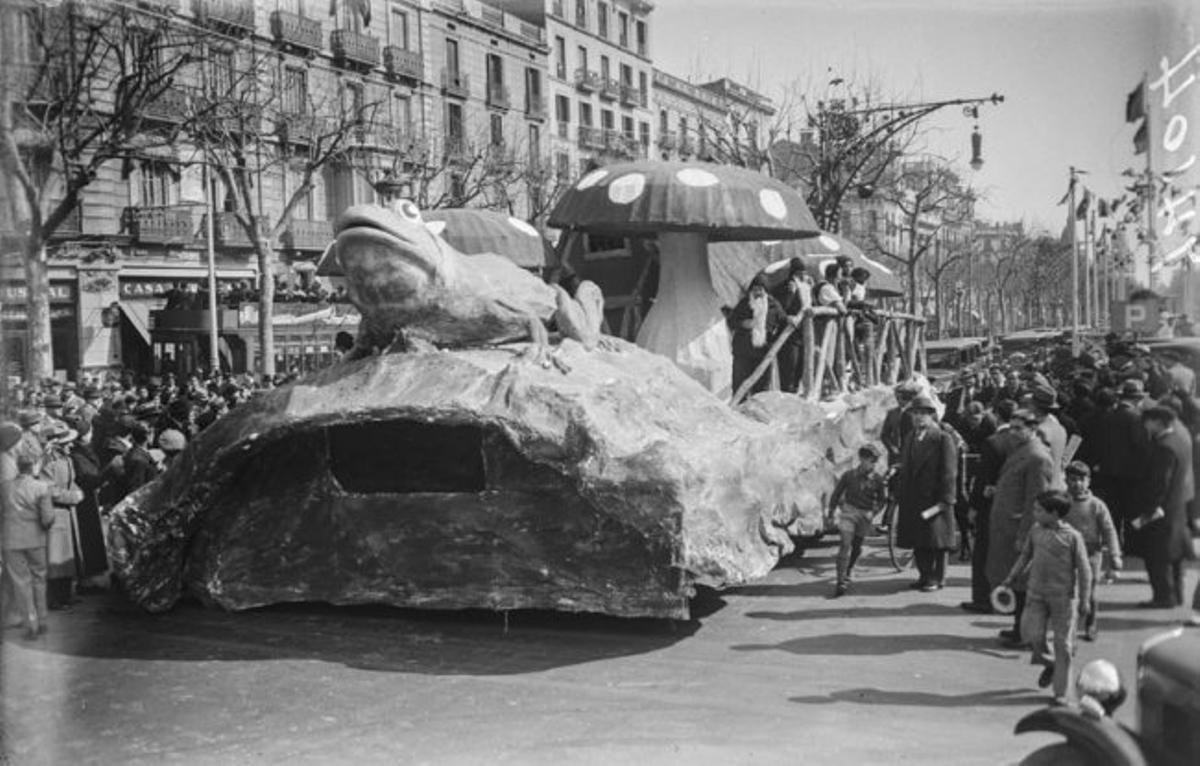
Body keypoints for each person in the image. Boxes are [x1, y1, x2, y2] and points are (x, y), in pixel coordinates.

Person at [999, 489, 1092, 706]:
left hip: (1064, 599)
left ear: (1054, 513)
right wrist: (1011, 578)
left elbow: (1084, 570)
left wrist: (1085, 599)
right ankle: (1051, 664)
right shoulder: (1036, 530)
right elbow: (1025, 556)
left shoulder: (1073, 537)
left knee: (1064, 646)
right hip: (1036, 594)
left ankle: (1060, 693)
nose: (1035, 514)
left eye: (1039, 510)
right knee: (1031, 636)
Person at [987, 408, 1055, 646]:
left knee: (1025, 585)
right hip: (1008, 528)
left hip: (1020, 530)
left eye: (1019, 428)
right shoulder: (1022, 450)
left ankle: (1028, 635)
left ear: (1033, 429)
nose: (1013, 433)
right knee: (1016, 583)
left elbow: (1037, 501)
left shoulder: (1037, 457)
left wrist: (1026, 535)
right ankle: (1019, 628)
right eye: (1011, 428)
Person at [894, 394, 958, 592]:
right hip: (914, 497)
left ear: (932, 416)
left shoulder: (942, 438)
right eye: (915, 413)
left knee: (937, 541)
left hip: (935, 498)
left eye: (923, 413)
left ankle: (937, 578)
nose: (919, 417)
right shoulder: (910, 437)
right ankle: (924, 575)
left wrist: (946, 499)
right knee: (919, 539)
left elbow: (949, 472)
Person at [1135, 405, 1195, 608]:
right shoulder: (1181, 437)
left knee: (1157, 556)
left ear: (1158, 422)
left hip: (1161, 511)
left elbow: (1159, 483)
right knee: (1174, 555)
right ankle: (1176, 594)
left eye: (1147, 421)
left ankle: (1163, 597)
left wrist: (1148, 510)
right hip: (1177, 506)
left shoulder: (1164, 447)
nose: (1145, 426)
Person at [1063, 462, 1122, 641]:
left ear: (1089, 481)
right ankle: (1070, 626)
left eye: (1082, 479)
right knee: (1069, 589)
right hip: (1068, 552)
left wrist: (1115, 555)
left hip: (1091, 553)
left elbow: (1109, 530)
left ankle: (1091, 624)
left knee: (1090, 590)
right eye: (1073, 479)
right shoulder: (1062, 503)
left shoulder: (1097, 505)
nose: (1077, 484)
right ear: (1066, 480)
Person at [1, 454, 56, 640]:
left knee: (21, 582)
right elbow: (47, 518)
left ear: (18, 466)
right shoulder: (41, 487)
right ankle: (42, 620)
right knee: (39, 579)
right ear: (34, 467)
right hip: (35, 539)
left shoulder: (4, 487)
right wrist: (45, 526)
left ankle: (30, 623)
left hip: (11, 539)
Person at [827, 444, 888, 597]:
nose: (873, 464)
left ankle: (849, 569)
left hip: (865, 516)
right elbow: (836, 494)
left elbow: (882, 500)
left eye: (875, 461)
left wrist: (874, 512)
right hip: (849, 512)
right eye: (871, 461)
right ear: (862, 459)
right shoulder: (848, 476)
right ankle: (841, 580)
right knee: (845, 544)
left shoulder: (877, 479)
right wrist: (830, 513)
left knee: (856, 546)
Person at [728, 274, 786, 396]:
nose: (757, 293)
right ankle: (738, 407)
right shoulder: (744, 304)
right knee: (739, 386)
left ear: (765, 290)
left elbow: (783, 322)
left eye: (760, 289)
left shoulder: (773, 305)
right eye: (755, 289)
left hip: (763, 353)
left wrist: (774, 338)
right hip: (743, 352)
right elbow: (731, 321)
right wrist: (742, 323)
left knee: (761, 388)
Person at [770, 258, 812, 394]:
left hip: (802, 331)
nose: (804, 275)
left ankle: (794, 390)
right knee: (789, 364)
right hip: (788, 331)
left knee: (801, 363)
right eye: (801, 272)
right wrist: (791, 293)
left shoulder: (805, 286)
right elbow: (782, 307)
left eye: (804, 272)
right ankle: (787, 392)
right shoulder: (786, 287)